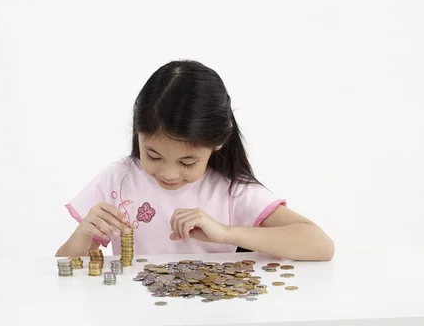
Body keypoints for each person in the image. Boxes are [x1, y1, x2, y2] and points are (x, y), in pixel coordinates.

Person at [56, 60, 334, 261]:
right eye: (152, 155)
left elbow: (320, 245)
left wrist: (225, 234)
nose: (169, 173)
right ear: (137, 133)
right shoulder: (118, 180)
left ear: (217, 144)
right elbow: (63, 265)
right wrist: (83, 233)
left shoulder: (230, 189)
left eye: (188, 162)